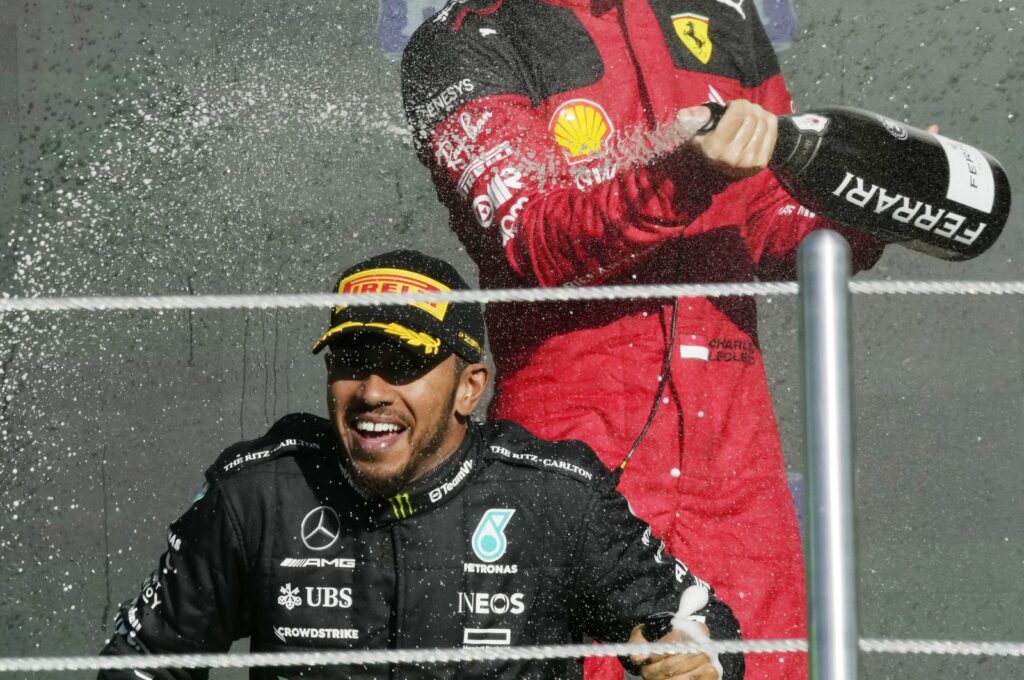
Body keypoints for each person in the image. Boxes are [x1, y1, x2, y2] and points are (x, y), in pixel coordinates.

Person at [400, 3, 886, 679]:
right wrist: (688, 172)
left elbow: (768, 224)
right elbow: (532, 240)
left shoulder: (725, 13)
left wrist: (876, 203)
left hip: (738, 477)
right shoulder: (460, 38)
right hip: (574, 468)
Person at [97, 249, 745, 680]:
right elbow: (141, 660)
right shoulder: (261, 491)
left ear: (471, 387)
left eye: (403, 364)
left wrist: (692, 655)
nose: (371, 391)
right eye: (350, 360)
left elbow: (704, 622)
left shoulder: (553, 495)